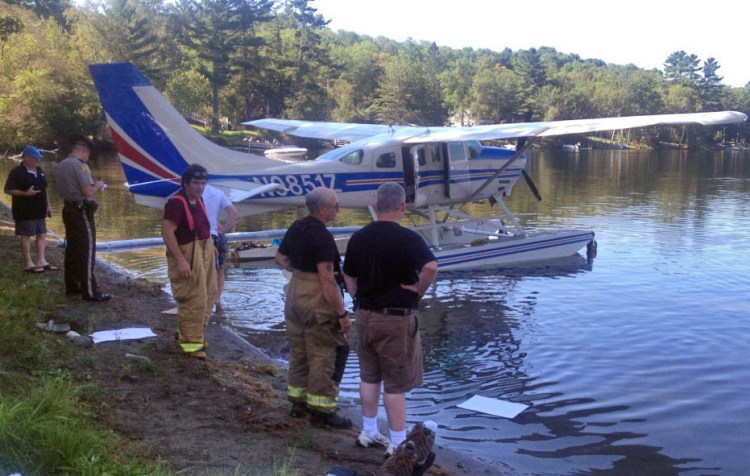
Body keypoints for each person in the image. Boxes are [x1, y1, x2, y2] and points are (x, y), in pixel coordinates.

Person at [343, 182, 438, 456]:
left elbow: (347, 273)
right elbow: (431, 267)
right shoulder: (407, 238)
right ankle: (397, 443)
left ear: (375, 205)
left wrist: (357, 296)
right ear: (402, 207)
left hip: (365, 316)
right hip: (395, 319)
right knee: (395, 385)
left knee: (369, 377)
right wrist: (419, 290)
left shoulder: (359, 237)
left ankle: (369, 431)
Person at [275, 187, 352, 429]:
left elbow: (280, 258)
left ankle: (297, 402)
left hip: (295, 289)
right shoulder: (323, 236)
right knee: (324, 352)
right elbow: (327, 279)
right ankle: (322, 410)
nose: (338, 210)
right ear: (322, 208)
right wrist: (342, 313)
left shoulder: (297, 226)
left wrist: (299, 272)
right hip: (317, 295)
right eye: (335, 206)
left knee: (299, 349)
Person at [162, 164, 218, 360]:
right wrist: (181, 261)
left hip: (205, 249)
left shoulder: (199, 200)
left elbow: (203, 227)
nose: (200, 187)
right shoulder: (176, 203)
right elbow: (167, 232)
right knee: (193, 297)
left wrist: (212, 249)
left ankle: (191, 333)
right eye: (196, 183)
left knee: (210, 293)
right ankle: (191, 345)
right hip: (187, 253)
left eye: (203, 183)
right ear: (185, 183)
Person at [55, 135, 110, 302]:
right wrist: (98, 186)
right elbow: (88, 191)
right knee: (87, 250)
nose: (88, 158)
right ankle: (90, 292)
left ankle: (72, 286)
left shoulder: (62, 164)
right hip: (81, 212)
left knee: (72, 249)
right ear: (83, 151)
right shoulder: (81, 167)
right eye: (88, 155)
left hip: (68, 209)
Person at [3, 145, 57, 273]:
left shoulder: (40, 170)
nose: (37, 160)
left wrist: (48, 206)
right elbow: (7, 189)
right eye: (35, 158)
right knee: (26, 235)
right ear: (26, 158)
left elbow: (45, 190)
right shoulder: (17, 171)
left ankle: (41, 260)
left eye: (38, 158)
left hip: (40, 209)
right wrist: (24, 193)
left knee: (42, 234)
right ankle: (28, 263)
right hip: (24, 210)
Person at [202, 184, 239, 312]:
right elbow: (233, 213)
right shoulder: (217, 192)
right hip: (216, 235)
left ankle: (203, 299)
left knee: (201, 269)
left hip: (201, 237)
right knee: (220, 269)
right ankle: (217, 300)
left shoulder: (188, 192)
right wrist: (223, 231)